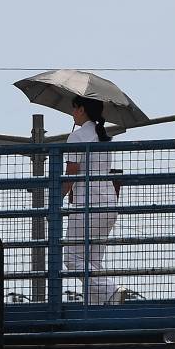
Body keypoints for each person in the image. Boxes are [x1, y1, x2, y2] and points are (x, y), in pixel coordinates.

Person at [63, 97, 128, 305]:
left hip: (86, 205)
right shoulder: (104, 138)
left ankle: (111, 291)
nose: (72, 113)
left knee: (72, 259)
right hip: (108, 203)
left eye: (74, 109)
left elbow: (70, 175)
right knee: (92, 263)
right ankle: (95, 307)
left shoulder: (77, 137)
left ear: (81, 110)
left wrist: (55, 201)